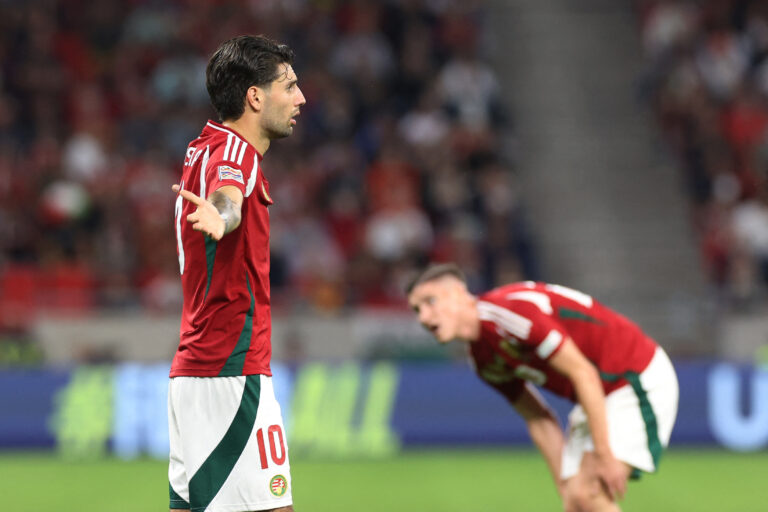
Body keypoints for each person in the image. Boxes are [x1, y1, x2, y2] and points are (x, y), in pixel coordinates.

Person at [406, 263, 679, 512]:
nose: (423, 317)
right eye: (417, 310)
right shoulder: (484, 362)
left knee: (589, 493)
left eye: (430, 302)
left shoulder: (509, 315)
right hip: (599, 394)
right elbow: (538, 418)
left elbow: (583, 372)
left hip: (634, 375)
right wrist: (565, 487)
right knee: (576, 501)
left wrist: (604, 454)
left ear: (458, 293)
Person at [168, 35, 306, 512]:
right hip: (229, 369)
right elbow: (229, 195)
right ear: (254, 96)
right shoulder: (236, 155)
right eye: (288, 86)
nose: (300, 98)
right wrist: (223, 217)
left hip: (199, 371)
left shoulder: (202, 147)